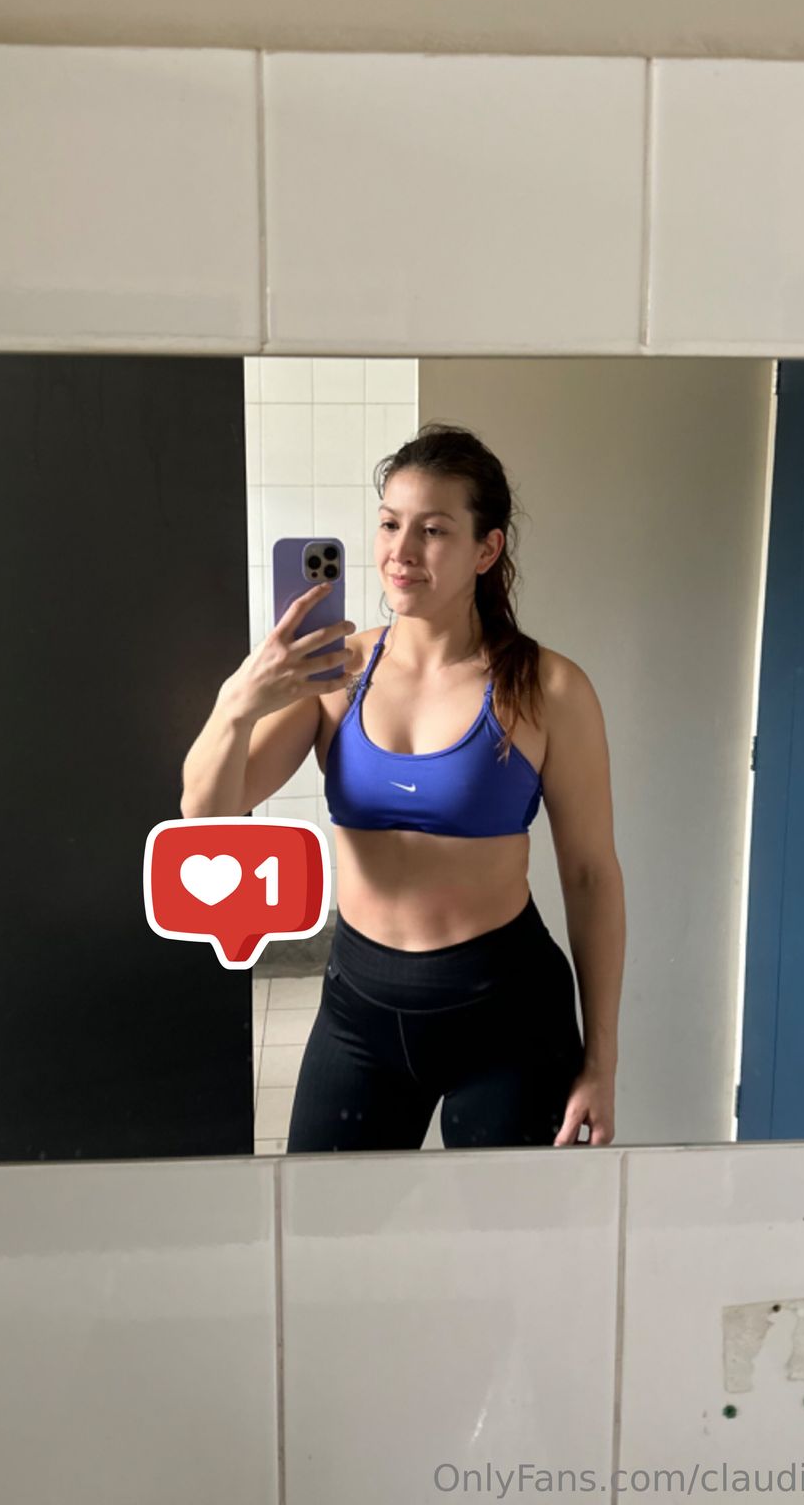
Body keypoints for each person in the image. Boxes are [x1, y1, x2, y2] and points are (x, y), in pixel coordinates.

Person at [181, 424, 625, 1152]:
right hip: (361, 1012)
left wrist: (601, 1062)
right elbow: (206, 813)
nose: (401, 551)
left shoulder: (549, 688)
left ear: (487, 549)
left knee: (510, 1225)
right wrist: (238, 703)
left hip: (508, 1016)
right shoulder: (333, 673)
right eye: (390, 524)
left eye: (434, 530)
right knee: (326, 1215)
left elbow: (590, 875)